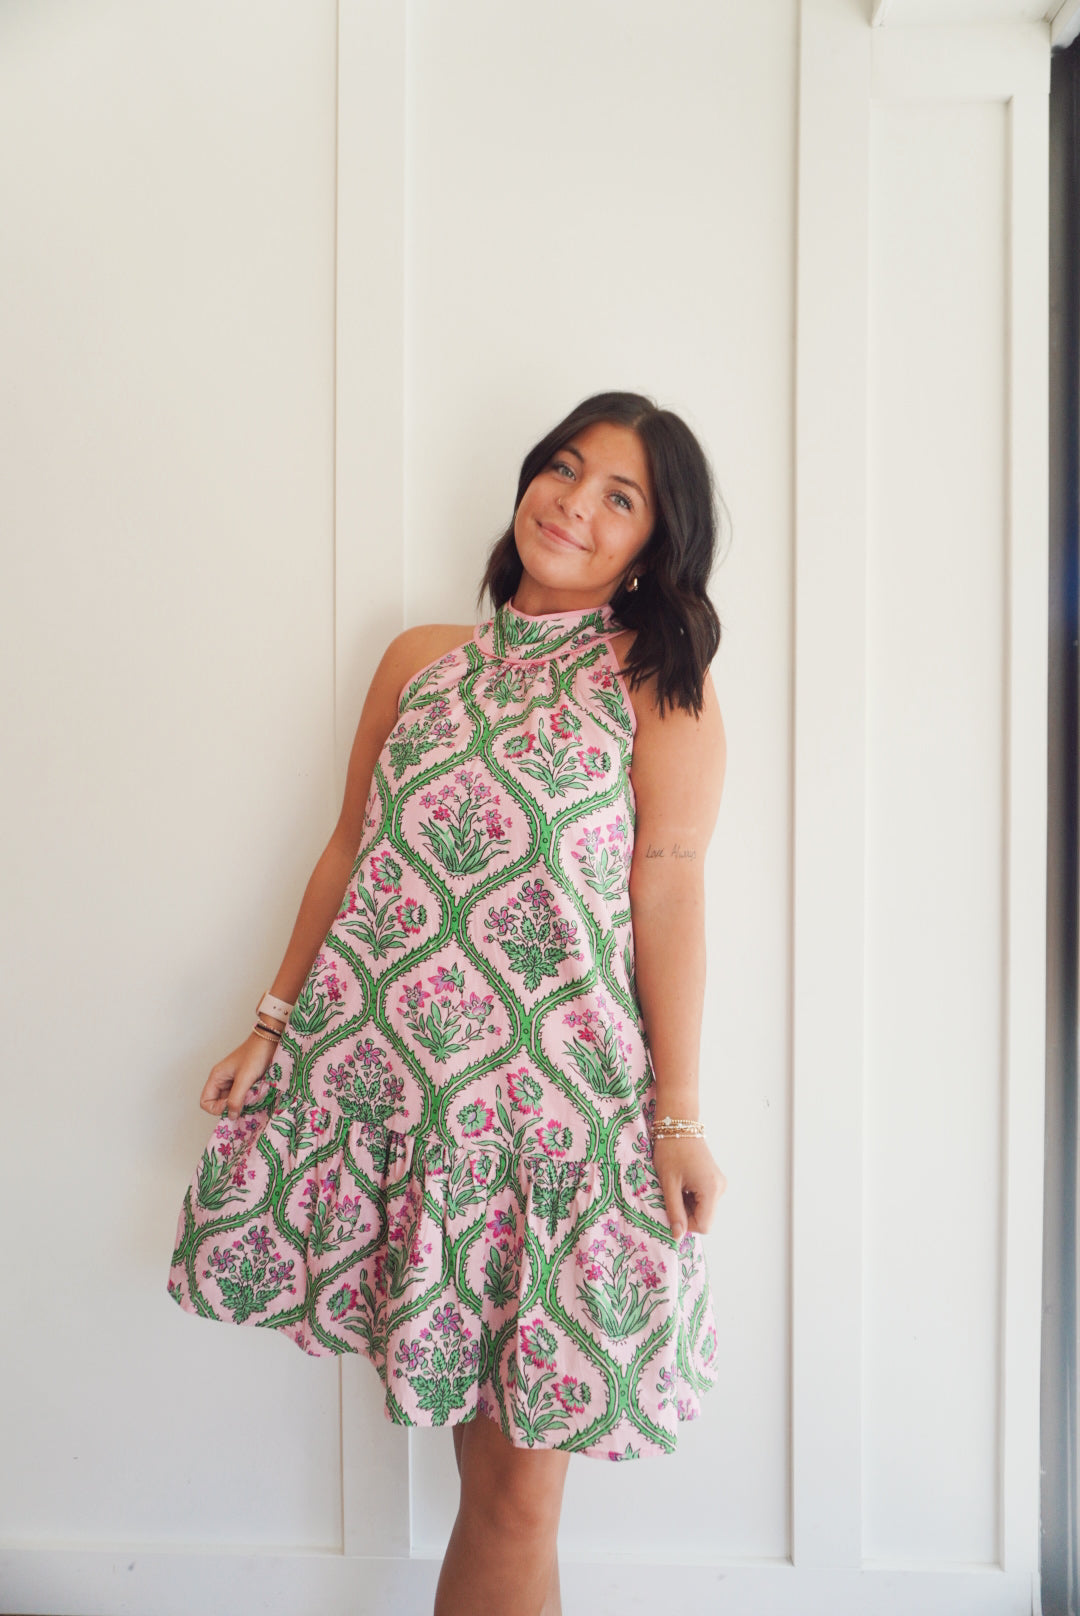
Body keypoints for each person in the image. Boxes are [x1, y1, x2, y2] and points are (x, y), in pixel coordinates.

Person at [166, 389, 729, 1616]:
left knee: (518, 1496)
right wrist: (271, 1019)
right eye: (564, 469)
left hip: (559, 1121)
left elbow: (671, 891)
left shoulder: (656, 684)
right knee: (494, 1486)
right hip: (400, 1097)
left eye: (620, 497)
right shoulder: (422, 658)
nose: (573, 504)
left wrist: (678, 1116)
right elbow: (348, 847)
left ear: (654, 543)